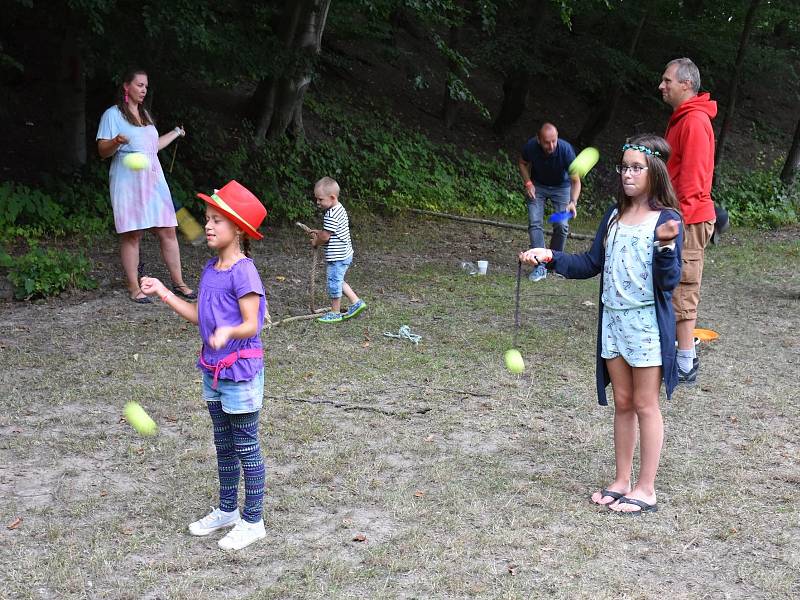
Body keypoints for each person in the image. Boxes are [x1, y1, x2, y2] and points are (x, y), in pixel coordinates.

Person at [519, 134, 683, 514]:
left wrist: (662, 247)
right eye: (624, 167)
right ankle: (622, 480)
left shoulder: (668, 220)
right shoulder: (613, 215)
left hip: (645, 326)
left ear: (654, 171)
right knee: (623, 403)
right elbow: (591, 263)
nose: (627, 174)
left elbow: (668, 281)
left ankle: (646, 488)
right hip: (613, 322)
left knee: (645, 404)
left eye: (636, 168)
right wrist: (551, 257)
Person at [140, 180, 268, 550]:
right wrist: (164, 292)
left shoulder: (244, 272)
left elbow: (251, 323)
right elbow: (199, 316)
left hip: (240, 371)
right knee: (223, 442)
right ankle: (228, 510)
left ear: (239, 230)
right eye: (207, 219)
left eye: (217, 220)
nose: (207, 226)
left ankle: (253, 520)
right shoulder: (212, 269)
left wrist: (227, 332)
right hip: (212, 370)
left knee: (246, 446)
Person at [96, 68, 195, 304]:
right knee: (133, 233)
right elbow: (102, 151)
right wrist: (116, 141)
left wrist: (175, 133)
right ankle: (133, 287)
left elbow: (152, 147)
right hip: (128, 179)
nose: (144, 90)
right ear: (126, 87)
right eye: (140, 85)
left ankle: (179, 283)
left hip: (153, 178)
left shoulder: (146, 115)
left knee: (168, 229)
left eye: (146, 86)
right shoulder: (112, 115)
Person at [659, 57, 717, 383]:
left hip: (689, 219)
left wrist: (676, 222)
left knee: (683, 288)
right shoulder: (681, 119)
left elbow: (693, 182)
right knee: (670, 284)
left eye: (667, 80)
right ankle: (675, 353)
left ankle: (685, 364)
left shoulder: (694, 122)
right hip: (677, 215)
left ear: (686, 84)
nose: (661, 86)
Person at [518, 122, 581, 282]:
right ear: (539, 139)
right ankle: (540, 265)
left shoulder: (566, 151)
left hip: (561, 188)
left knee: (561, 225)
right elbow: (522, 163)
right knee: (535, 223)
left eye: (554, 140)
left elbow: (575, 181)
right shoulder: (531, 147)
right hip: (538, 186)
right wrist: (528, 183)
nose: (551, 145)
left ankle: (553, 260)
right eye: (547, 142)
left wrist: (573, 201)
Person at [308, 177, 366, 323]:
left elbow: (326, 237)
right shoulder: (339, 209)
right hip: (345, 253)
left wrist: (316, 240)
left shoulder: (331, 214)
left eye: (320, 199)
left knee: (334, 282)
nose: (318, 202)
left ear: (332, 197)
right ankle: (356, 302)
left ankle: (335, 312)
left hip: (338, 256)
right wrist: (320, 232)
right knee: (338, 280)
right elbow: (329, 231)